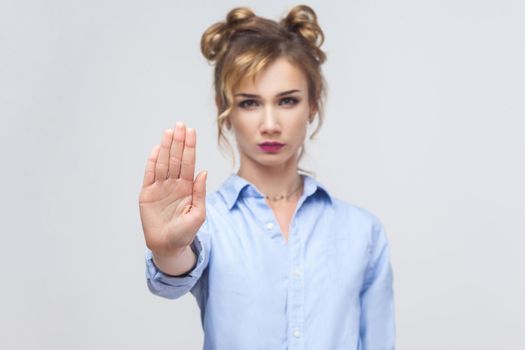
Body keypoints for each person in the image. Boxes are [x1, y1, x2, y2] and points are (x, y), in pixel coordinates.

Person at [139, 4, 395, 349]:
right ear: (225, 110)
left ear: (313, 105)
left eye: (287, 101)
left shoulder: (363, 232)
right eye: (250, 103)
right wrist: (167, 249)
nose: (270, 124)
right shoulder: (206, 223)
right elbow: (173, 275)